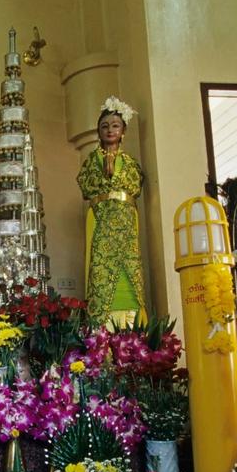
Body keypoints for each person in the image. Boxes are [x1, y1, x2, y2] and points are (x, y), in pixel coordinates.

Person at [76, 96, 145, 326]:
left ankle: (132, 332)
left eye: (115, 125)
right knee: (99, 272)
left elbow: (135, 187)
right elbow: (86, 186)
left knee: (130, 271)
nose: (109, 130)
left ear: (123, 130)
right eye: (104, 126)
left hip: (125, 221)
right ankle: (100, 334)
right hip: (100, 220)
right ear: (98, 131)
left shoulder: (131, 163)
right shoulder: (90, 161)